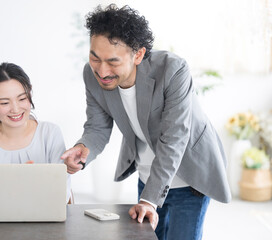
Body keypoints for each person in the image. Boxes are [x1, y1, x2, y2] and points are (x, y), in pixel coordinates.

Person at [61, 4, 231, 239]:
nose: (101, 70)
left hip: (189, 179)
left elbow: (174, 139)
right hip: (147, 177)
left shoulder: (172, 69)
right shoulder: (91, 76)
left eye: (112, 61)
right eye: (94, 57)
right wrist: (82, 149)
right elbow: (97, 127)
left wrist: (150, 200)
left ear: (138, 54)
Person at [0, 62, 71, 203]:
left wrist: (7, 188)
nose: (15, 109)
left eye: (22, 99)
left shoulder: (50, 133)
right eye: (5, 103)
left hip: (44, 221)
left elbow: (61, 194)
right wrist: (24, 184)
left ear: (30, 93)